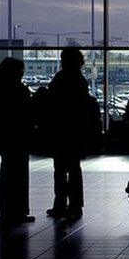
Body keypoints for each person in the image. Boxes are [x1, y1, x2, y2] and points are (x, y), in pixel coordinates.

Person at [46, 48, 90, 220]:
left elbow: (52, 105)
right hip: (75, 132)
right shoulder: (80, 81)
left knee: (60, 170)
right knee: (73, 169)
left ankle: (60, 204)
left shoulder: (59, 79)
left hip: (60, 131)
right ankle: (75, 204)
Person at [0, 58, 35, 225]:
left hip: (6, 136)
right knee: (19, 175)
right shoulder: (20, 90)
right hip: (20, 137)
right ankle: (19, 210)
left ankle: (6, 209)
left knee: (7, 173)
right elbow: (27, 113)